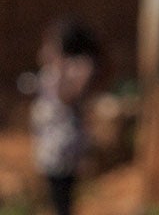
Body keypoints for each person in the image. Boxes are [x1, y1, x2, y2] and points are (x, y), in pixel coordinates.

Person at [32, 19, 97, 215]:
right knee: (56, 195)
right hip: (49, 140)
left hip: (65, 142)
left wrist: (58, 64)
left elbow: (67, 96)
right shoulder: (56, 65)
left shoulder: (79, 66)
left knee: (62, 197)